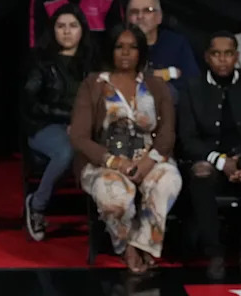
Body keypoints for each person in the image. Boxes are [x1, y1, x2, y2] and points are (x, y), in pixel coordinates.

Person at [70, 24, 182, 273]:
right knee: (117, 198)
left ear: (141, 52)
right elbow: (78, 136)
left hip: (150, 158)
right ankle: (126, 247)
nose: (125, 53)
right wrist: (114, 162)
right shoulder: (93, 84)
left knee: (167, 183)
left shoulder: (155, 85)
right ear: (110, 50)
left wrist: (149, 162)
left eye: (132, 48)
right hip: (104, 160)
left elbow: (167, 133)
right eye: (119, 47)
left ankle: (143, 243)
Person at [23, 4, 96, 241]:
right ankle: (37, 205)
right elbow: (31, 104)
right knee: (65, 151)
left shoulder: (92, 62)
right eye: (61, 26)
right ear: (53, 30)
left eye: (73, 26)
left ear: (82, 30)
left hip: (82, 125)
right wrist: (68, 119)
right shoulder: (41, 62)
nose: (67, 32)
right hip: (45, 125)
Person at [178, 31, 241, 280]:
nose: (223, 60)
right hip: (208, 159)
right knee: (201, 174)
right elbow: (187, 138)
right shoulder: (192, 88)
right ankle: (215, 252)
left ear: (236, 57)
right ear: (207, 57)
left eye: (228, 54)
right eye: (217, 54)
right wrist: (221, 161)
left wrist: (238, 161)